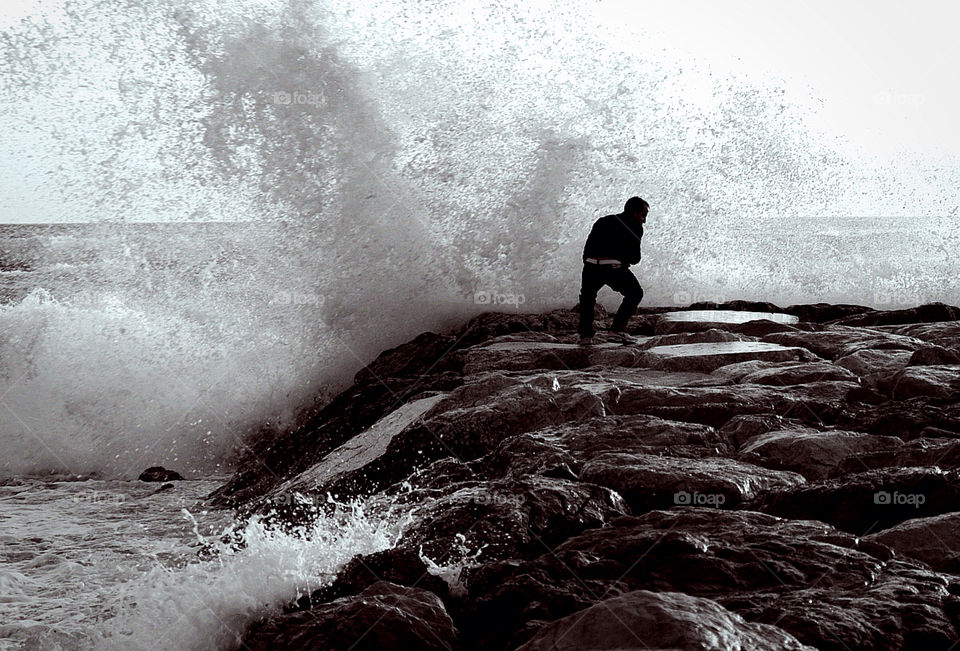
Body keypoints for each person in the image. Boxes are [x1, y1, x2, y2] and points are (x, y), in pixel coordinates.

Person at [577, 196, 647, 343]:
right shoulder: (635, 226)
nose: (644, 220)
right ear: (634, 213)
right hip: (613, 267)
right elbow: (635, 258)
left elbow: (587, 248)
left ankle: (585, 336)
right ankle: (617, 330)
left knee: (587, 298)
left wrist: (590, 263)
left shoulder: (603, 221)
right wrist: (620, 261)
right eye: (643, 215)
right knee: (635, 293)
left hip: (590, 265)